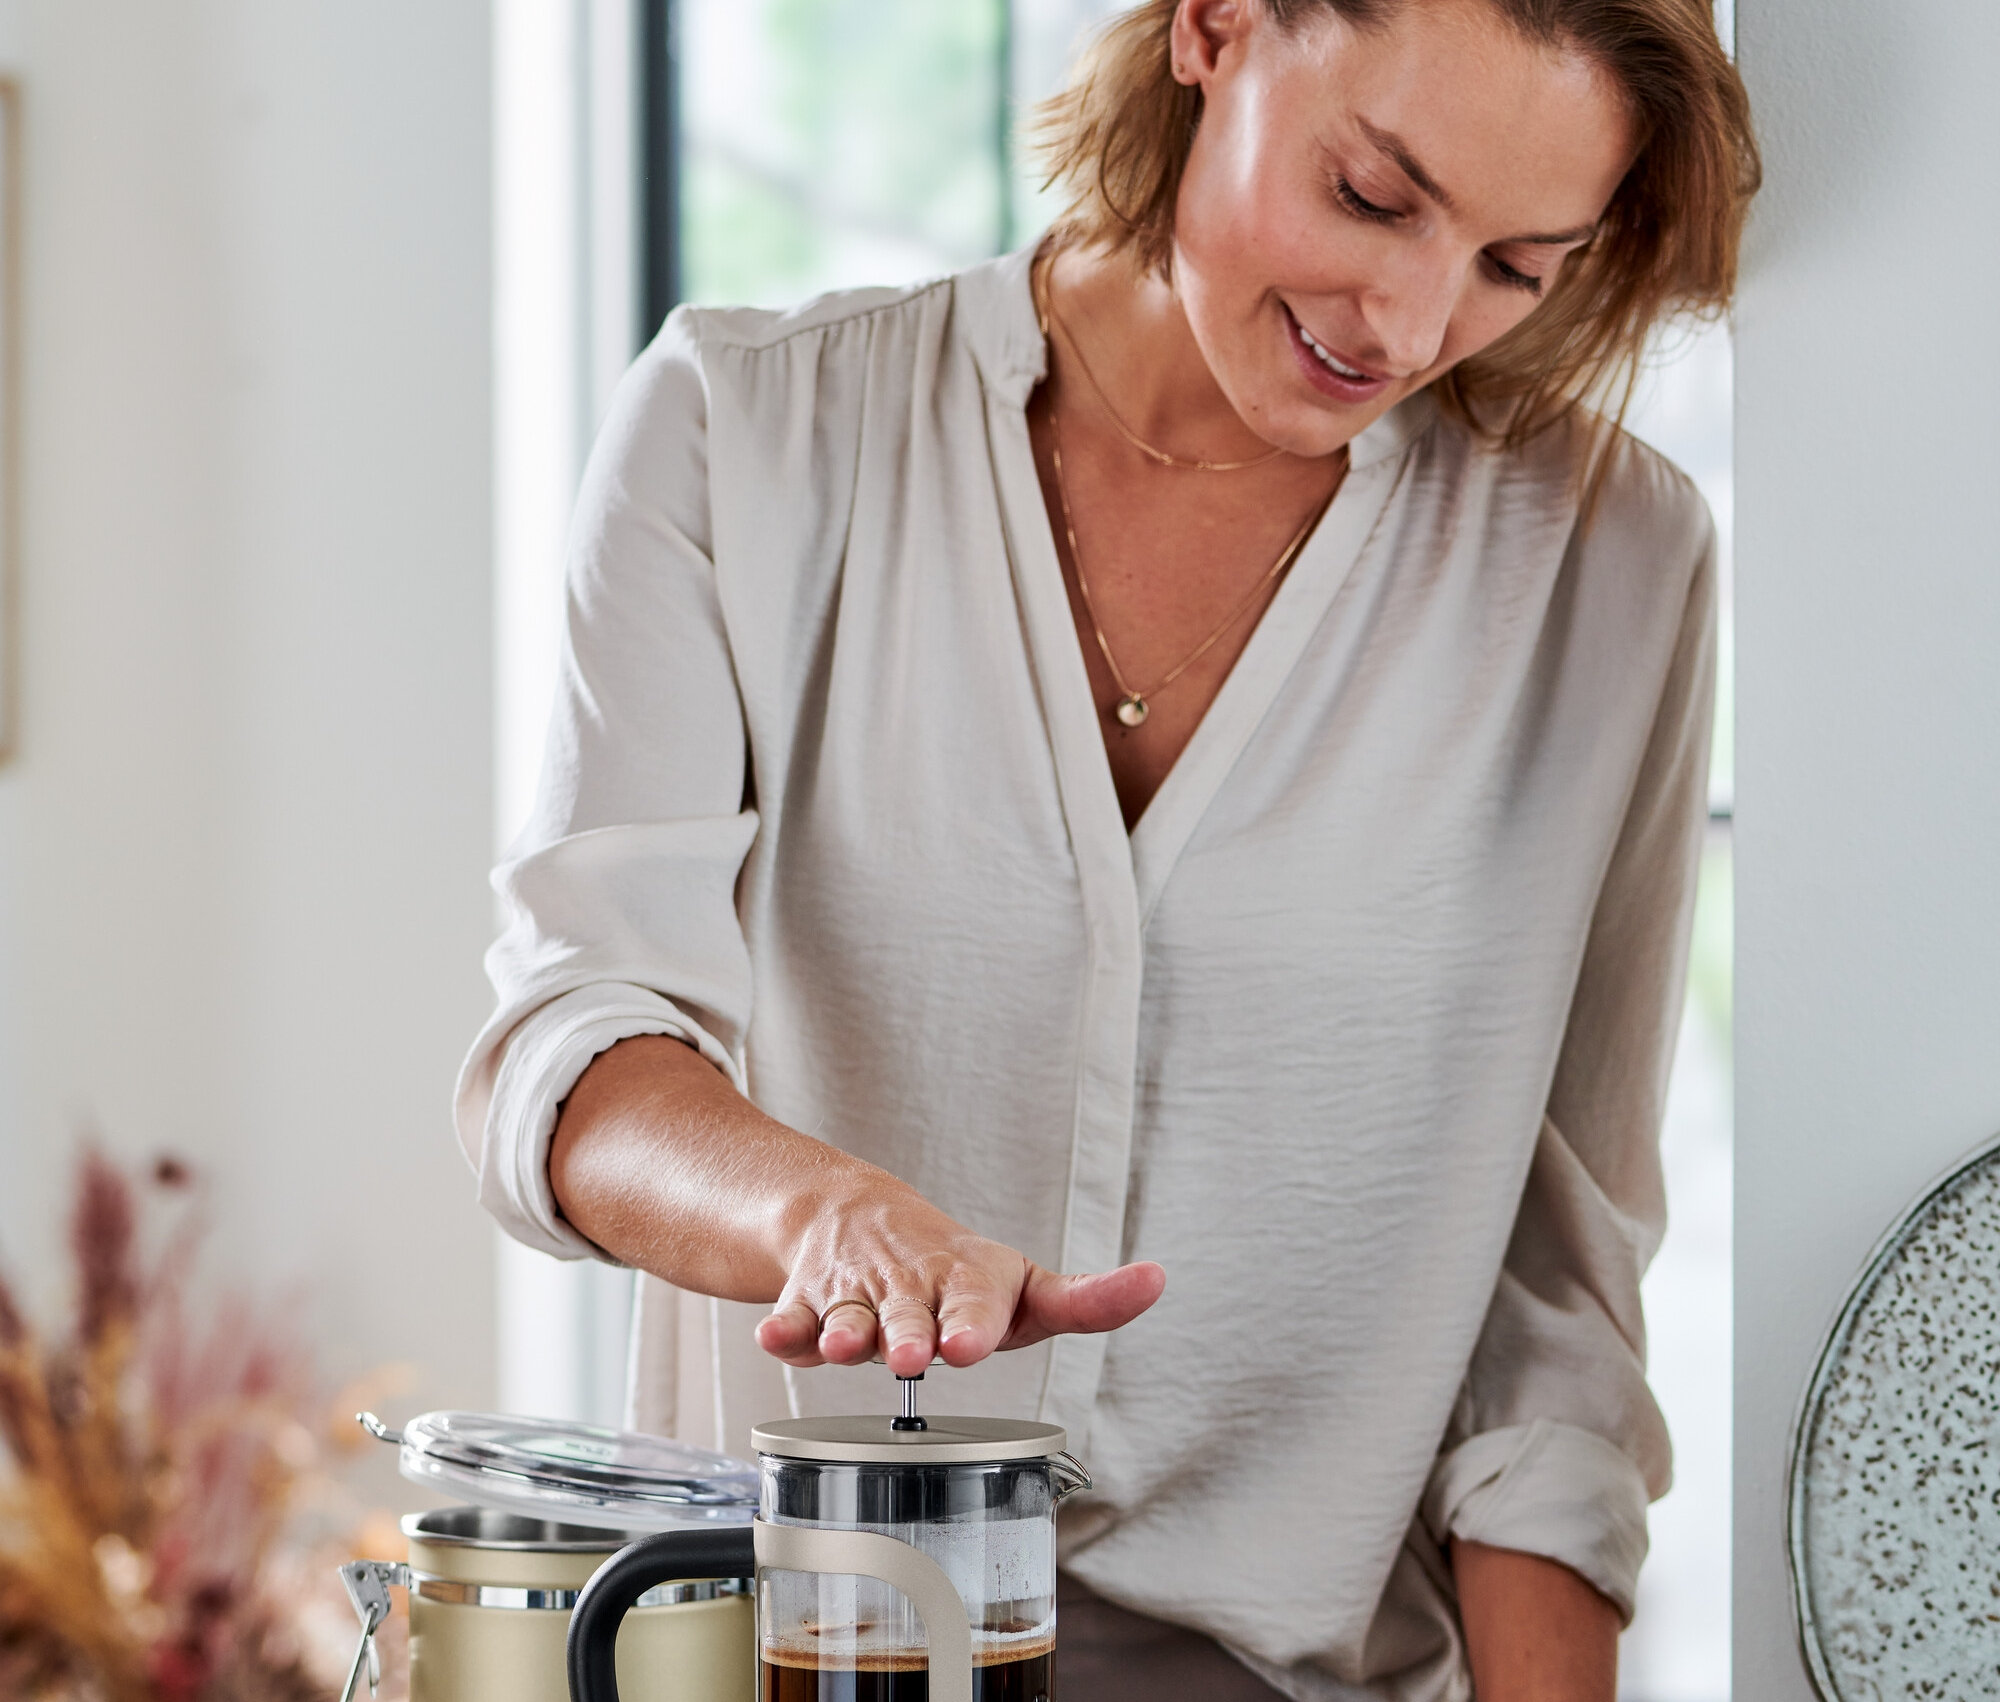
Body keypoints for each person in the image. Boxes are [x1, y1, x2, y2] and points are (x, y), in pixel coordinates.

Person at [456, 1, 1757, 1696]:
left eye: (1521, 263)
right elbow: (568, 1059)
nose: (1419, 320)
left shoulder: (1610, 561)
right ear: (1213, 28)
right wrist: (823, 1212)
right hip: (804, 1649)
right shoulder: (748, 432)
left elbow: (1557, 1335)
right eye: (1373, 196)